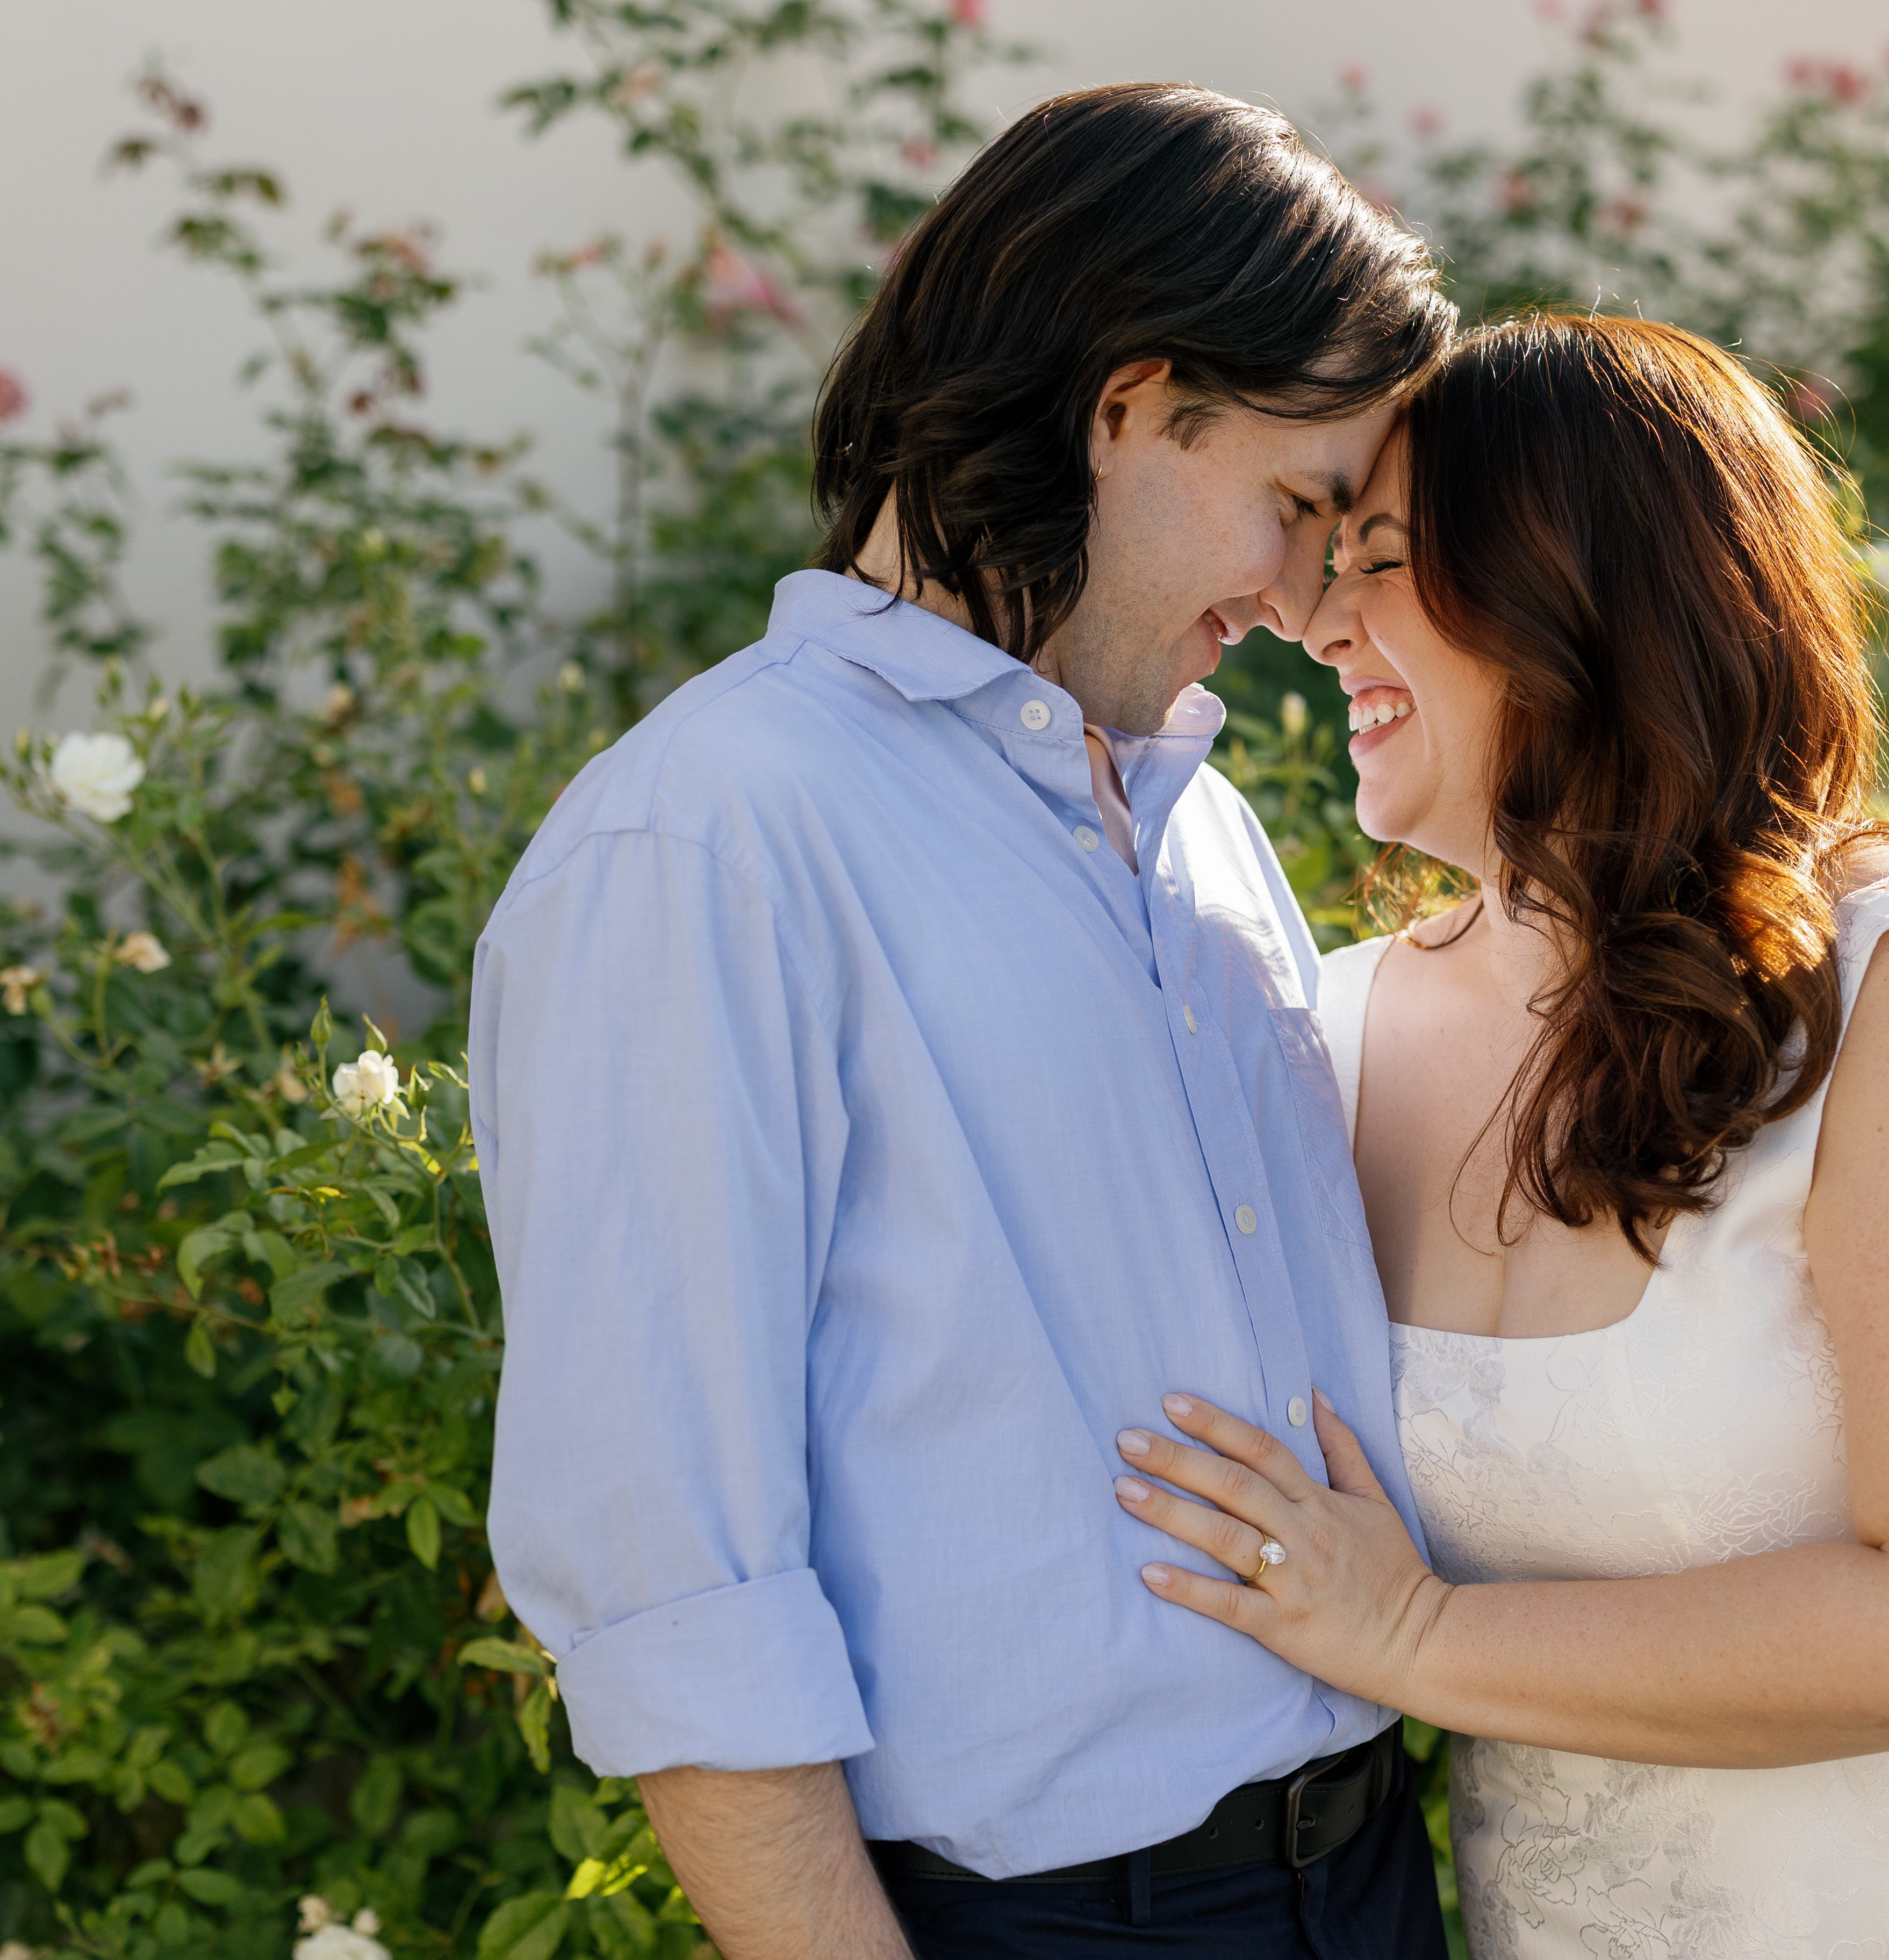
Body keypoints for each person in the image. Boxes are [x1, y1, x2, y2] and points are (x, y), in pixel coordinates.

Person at [1109, 313, 1889, 1957]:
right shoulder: (1329, 1032)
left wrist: (1416, 1632)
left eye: (1383, 559)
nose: (1313, 619)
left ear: (1587, 584)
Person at [473, 84, 1459, 1959]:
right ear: (1127, 405)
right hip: (1049, 1929)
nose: (1308, 595)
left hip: (1368, 1880)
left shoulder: (1201, 820)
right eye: (1296, 505)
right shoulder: (708, 838)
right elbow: (676, 1579)